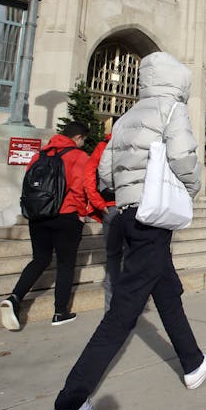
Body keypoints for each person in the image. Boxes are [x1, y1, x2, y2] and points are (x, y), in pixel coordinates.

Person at [43, 52, 206, 410]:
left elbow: (106, 171)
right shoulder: (170, 109)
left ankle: (192, 363)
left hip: (127, 215)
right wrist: (191, 190)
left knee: (167, 291)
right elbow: (184, 157)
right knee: (123, 313)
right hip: (152, 218)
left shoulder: (126, 116)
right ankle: (67, 407)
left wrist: (126, 189)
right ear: (177, 81)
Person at [0, 121, 91, 331]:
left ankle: (15, 297)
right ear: (78, 138)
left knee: (40, 259)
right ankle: (60, 312)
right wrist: (82, 213)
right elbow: (79, 189)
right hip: (66, 215)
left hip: (38, 215)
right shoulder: (78, 156)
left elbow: (28, 184)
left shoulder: (39, 155)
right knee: (66, 264)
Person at [83, 129, 120, 312]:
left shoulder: (103, 147)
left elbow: (89, 177)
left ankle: (112, 311)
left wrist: (98, 203)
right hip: (130, 208)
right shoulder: (137, 146)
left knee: (113, 261)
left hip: (111, 207)